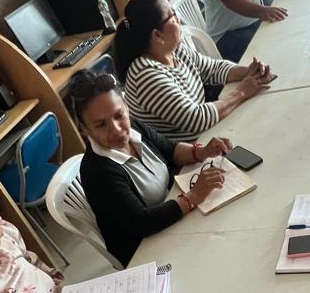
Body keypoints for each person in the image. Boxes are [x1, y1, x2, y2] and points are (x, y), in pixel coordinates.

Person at [66, 69, 232, 266]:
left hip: (174, 217)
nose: (116, 129)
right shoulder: (98, 172)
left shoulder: (134, 128)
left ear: (126, 106)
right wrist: (194, 196)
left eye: (119, 115)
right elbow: (144, 223)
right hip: (146, 251)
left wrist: (202, 152)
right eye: (101, 124)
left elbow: (170, 150)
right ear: (84, 130)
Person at [113, 0, 272, 141]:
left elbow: (213, 69)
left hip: (211, 130)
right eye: (173, 15)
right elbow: (196, 119)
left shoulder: (173, 49)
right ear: (157, 35)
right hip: (196, 149)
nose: (178, 18)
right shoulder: (144, 75)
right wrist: (242, 92)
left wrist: (248, 72)